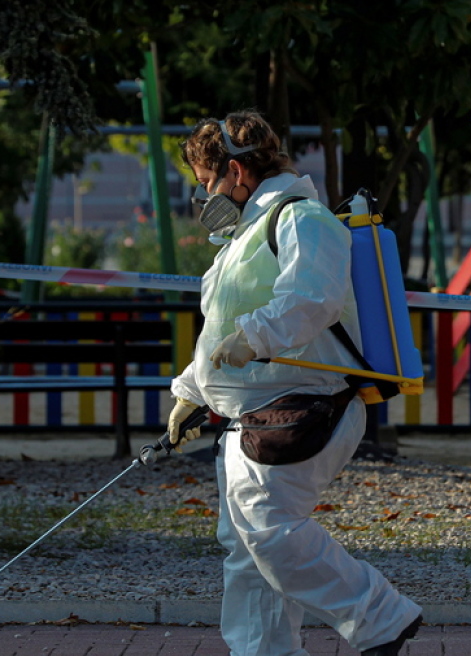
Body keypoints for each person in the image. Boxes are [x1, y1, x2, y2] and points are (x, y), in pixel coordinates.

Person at [167, 110, 422, 656]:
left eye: (207, 180)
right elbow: (220, 330)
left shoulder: (301, 218)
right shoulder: (244, 236)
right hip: (254, 415)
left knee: (270, 531)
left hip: (305, 406)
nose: (203, 193)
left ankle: (381, 616)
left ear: (237, 171)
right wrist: (192, 392)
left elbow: (312, 299)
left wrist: (253, 337)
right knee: (247, 551)